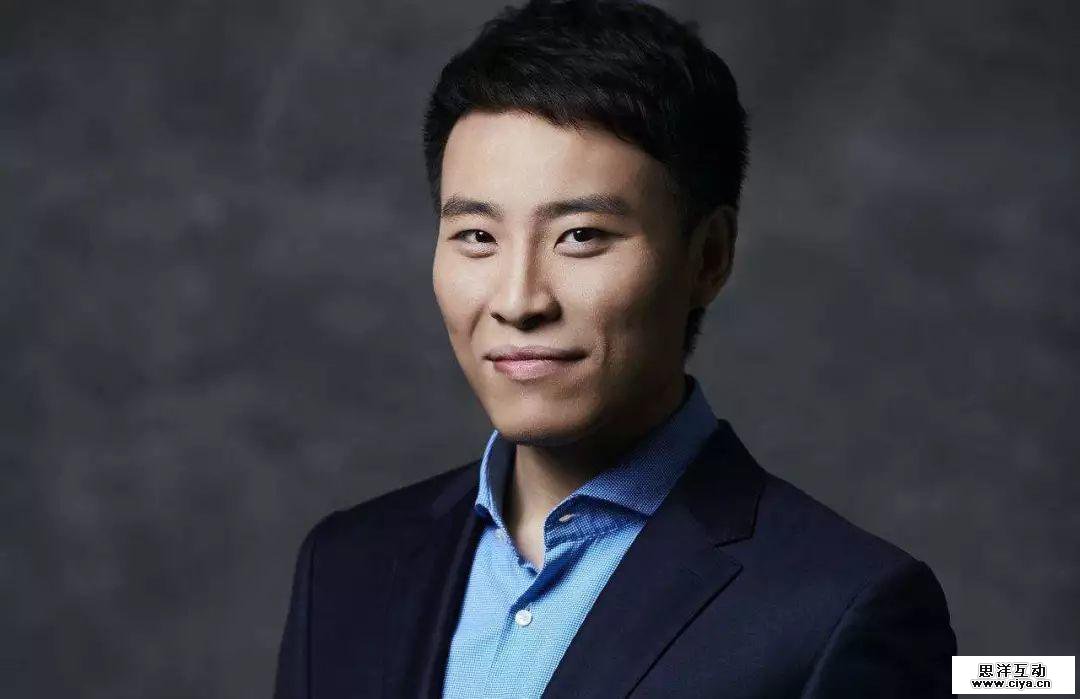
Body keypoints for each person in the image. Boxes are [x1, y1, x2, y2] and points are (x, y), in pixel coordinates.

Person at [272, 1, 958, 696]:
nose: (519, 300)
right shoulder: (345, 565)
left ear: (709, 257)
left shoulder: (846, 606)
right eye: (477, 237)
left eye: (581, 236)